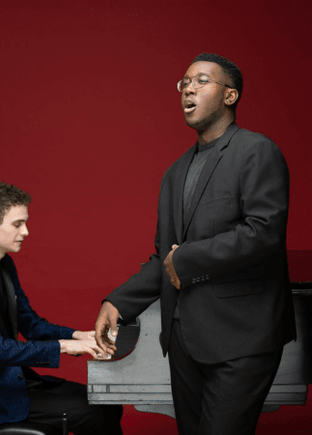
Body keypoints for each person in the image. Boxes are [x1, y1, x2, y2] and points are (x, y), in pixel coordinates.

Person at [94, 53, 292, 435]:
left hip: (242, 341)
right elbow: (164, 258)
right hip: (183, 343)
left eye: (201, 81)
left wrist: (187, 258)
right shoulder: (174, 174)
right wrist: (116, 302)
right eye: (184, 82)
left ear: (230, 95)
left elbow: (264, 231)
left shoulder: (257, 151)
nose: (188, 89)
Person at [0, 182, 122, 434]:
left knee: (108, 402)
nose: (25, 231)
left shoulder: (5, 265)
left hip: (16, 382)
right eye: (17, 224)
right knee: (96, 411)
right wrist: (65, 346)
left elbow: (30, 323)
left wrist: (77, 335)